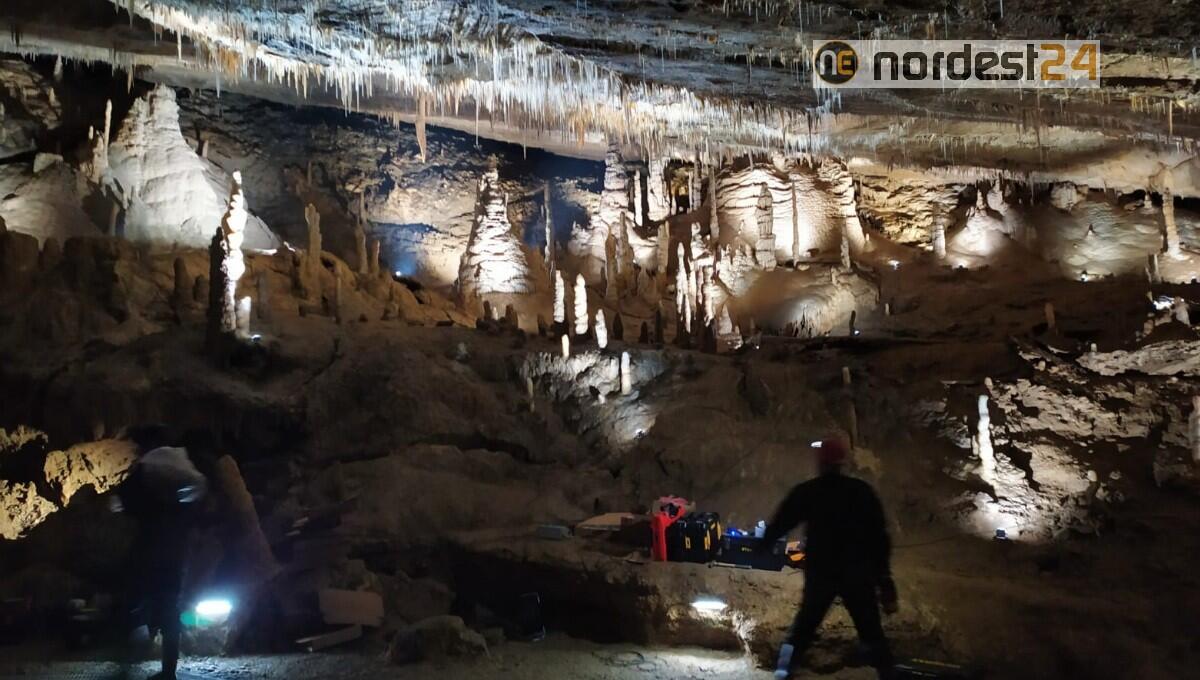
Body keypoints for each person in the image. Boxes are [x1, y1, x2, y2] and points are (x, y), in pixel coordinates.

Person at [762, 438, 897, 680]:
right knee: (872, 633)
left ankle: (782, 672)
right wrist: (884, 579)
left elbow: (782, 522)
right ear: (842, 463)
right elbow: (879, 538)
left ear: (821, 463)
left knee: (801, 631)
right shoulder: (861, 492)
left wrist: (762, 545)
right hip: (857, 574)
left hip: (822, 574)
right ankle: (888, 674)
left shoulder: (810, 492)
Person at [112, 425, 209, 680]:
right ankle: (168, 672)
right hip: (176, 551)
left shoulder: (145, 472)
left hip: (150, 550)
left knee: (136, 599)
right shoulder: (181, 475)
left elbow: (124, 502)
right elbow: (195, 507)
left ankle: (132, 654)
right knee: (169, 608)